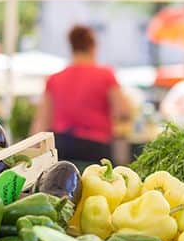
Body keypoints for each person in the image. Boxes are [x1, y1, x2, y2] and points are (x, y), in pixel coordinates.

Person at [32, 25, 131, 163]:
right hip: (95, 147)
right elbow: (123, 111)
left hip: (62, 146)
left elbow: (41, 120)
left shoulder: (55, 78)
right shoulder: (105, 75)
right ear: (93, 47)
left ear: (71, 46)